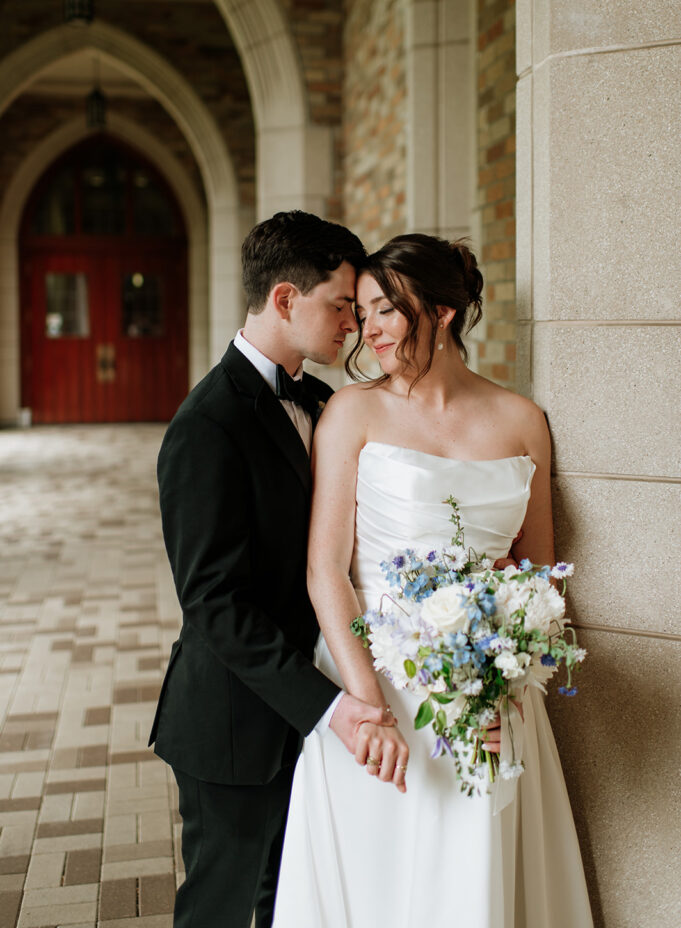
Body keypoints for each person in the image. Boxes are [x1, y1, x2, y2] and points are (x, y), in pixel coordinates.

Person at [273, 233, 593, 928]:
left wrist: (501, 687)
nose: (368, 330)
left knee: (472, 881)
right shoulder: (352, 413)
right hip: (375, 684)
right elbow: (325, 569)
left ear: (442, 311)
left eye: (385, 309)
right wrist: (366, 707)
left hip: (488, 695)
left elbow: (537, 576)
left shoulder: (522, 421)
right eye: (361, 312)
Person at [149, 211, 406, 928]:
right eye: (341, 307)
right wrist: (328, 705)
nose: (353, 327)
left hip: (320, 712)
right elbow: (212, 602)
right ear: (287, 299)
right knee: (228, 908)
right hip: (234, 725)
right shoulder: (205, 425)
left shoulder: (325, 404)